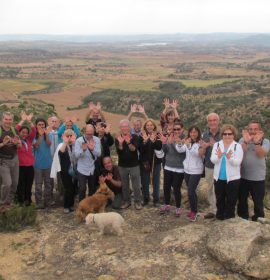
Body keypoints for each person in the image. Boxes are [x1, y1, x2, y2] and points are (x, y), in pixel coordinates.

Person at [238, 121, 270, 221]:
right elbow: (239, 153)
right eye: (250, 129)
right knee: (242, 200)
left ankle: (258, 218)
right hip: (243, 176)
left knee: (258, 201)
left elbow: (261, 154)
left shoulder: (265, 141)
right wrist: (246, 142)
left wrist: (256, 142)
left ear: (260, 130)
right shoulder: (242, 140)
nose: (252, 131)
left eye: (255, 129)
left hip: (258, 177)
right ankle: (243, 217)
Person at [210, 124, 243, 220]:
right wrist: (219, 156)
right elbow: (213, 160)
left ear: (233, 135)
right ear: (222, 134)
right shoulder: (217, 145)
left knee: (231, 200)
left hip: (232, 179)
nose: (227, 136)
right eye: (225, 134)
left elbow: (238, 162)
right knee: (219, 199)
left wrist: (229, 158)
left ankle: (229, 218)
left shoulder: (237, 146)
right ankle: (219, 216)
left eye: (229, 134)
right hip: (219, 177)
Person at [159, 120, 186, 217]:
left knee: (176, 188)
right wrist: (164, 143)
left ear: (182, 129)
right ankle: (167, 205)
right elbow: (165, 150)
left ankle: (178, 208)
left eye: (178, 129)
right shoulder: (170, 137)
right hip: (168, 166)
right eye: (174, 129)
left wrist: (173, 142)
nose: (176, 131)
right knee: (166, 187)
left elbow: (181, 152)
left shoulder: (185, 139)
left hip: (179, 168)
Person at [115, 119, 142, 210]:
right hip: (122, 165)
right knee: (125, 185)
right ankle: (127, 201)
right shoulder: (118, 138)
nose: (124, 128)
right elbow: (119, 151)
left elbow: (134, 149)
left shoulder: (135, 137)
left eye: (126, 126)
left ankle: (138, 202)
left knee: (136, 185)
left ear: (129, 128)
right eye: (123, 127)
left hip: (134, 165)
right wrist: (121, 144)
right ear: (120, 128)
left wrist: (129, 142)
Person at [180, 126, 204, 221]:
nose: (193, 134)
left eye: (195, 132)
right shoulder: (188, 141)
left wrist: (189, 146)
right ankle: (193, 210)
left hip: (196, 170)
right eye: (191, 132)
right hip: (187, 170)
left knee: (190, 191)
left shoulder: (200, 143)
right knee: (191, 191)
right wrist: (179, 144)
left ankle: (194, 212)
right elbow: (181, 150)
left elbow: (198, 154)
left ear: (198, 133)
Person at [200, 113, 221, 219]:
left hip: (221, 166)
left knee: (221, 189)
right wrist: (204, 147)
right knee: (210, 188)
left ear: (218, 121)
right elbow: (202, 153)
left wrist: (216, 146)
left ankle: (221, 210)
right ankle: (213, 210)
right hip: (209, 165)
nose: (212, 122)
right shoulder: (205, 135)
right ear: (208, 123)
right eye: (210, 121)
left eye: (214, 120)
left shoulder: (224, 134)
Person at [51, 129, 77, 213]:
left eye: (71, 136)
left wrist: (74, 142)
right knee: (68, 188)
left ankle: (71, 205)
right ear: (64, 137)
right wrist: (65, 142)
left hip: (75, 170)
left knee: (74, 188)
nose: (69, 138)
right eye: (67, 136)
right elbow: (61, 153)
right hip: (65, 171)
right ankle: (66, 206)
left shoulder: (75, 145)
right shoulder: (62, 145)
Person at [139, 119, 163, 206]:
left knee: (156, 181)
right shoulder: (141, 136)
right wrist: (145, 141)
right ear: (145, 127)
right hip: (145, 162)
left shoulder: (158, 136)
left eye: (151, 125)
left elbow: (159, 147)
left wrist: (153, 141)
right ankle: (146, 198)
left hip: (155, 162)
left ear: (154, 126)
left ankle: (156, 200)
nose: (149, 127)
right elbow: (140, 149)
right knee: (145, 181)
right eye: (147, 125)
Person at [0, 111, 21, 207]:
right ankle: (2, 203)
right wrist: (3, 143)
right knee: (7, 183)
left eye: (10, 119)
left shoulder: (14, 131)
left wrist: (17, 143)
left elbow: (20, 146)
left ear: (12, 120)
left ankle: (8, 202)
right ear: (2, 119)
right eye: (6, 119)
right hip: (3, 161)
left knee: (15, 183)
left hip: (14, 160)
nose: (8, 121)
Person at [75, 124, 101, 201]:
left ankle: (91, 205)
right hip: (81, 168)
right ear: (84, 132)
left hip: (92, 168)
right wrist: (83, 150)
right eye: (88, 133)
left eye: (91, 134)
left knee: (92, 189)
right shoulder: (79, 140)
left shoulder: (96, 140)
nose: (89, 135)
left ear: (94, 132)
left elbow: (99, 154)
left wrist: (92, 149)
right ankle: (82, 206)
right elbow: (76, 155)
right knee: (82, 189)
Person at [16, 111, 36, 206]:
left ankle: (28, 201)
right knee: (21, 185)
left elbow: (34, 131)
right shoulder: (16, 140)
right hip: (20, 166)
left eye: (26, 133)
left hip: (30, 167)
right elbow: (15, 129)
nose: (24, 134)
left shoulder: (29, 140)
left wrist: (29, 121)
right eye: (22, 132)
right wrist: (22, 120)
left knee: (29, 185)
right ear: (19, 133)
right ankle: (20, 201)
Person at [33, 118, 53, 209]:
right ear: (36, 126)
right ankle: (39, 203)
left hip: (48, 163)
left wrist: (46, 135)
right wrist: (41, 135)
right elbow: (36, 146)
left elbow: (49, 144)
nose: (41, 126)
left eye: (43, 124)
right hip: (38, 164)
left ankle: (47, 202)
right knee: (38, 185)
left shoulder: (49, 134)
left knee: (48, 184)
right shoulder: (34, 136)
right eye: (39, 124)